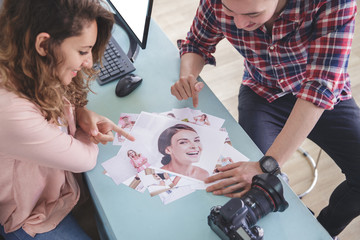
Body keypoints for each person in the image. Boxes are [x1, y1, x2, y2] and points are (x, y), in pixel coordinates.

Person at [170, 0, 360, 238]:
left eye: (252, 14)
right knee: (252, 191)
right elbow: (196, 43)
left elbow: (319, 89)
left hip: (323, 95)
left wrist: (265, 165)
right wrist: (187, 75)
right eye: (229, 12)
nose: (239, 23)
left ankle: (322, 230)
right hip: (262, 92)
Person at [0, 0, 135, 239]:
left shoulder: (34, 66)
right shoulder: (11, 111)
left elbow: (62, 108)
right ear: (43, 44)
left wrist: (81, 114)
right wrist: (88, 131)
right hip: (28, 215)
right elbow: (84, 160)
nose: (89, 62)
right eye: (83, 51)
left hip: (59, 188)